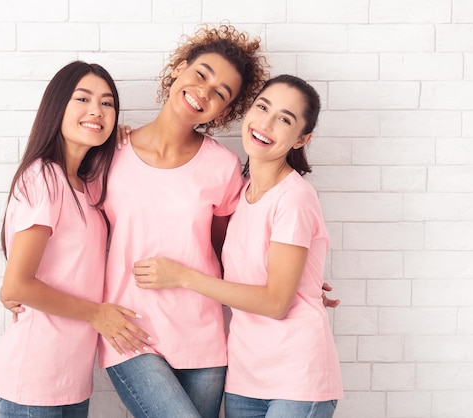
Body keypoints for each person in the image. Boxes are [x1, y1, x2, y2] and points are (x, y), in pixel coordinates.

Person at [133, 75, 343, 417]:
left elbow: (276, 303)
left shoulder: (294, 198)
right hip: (245, 377)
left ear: (302, 138)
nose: (266, 123)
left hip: (297, 377)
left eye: (285, 119)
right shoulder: (241, 194)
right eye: (262, 107)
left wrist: (183, 277)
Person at [99, 24, 268, 418]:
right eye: (201, 75)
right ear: (178, 68)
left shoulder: (223, 167)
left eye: (220, 94)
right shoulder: (109, 154)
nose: (204, 92)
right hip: (129, 331)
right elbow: (79, 231)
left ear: (224, 112)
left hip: (202, 338)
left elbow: (233, 250)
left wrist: (300, 278)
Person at [0, 61, 150, 418]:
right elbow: (18, 284)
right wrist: (98, 314)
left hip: (71, 383)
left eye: (107, 103)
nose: (97, 110)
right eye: (83, 99)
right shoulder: (43, 177)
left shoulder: (88, 184)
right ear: (57, 107)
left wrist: (124, 137)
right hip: (31, 383)